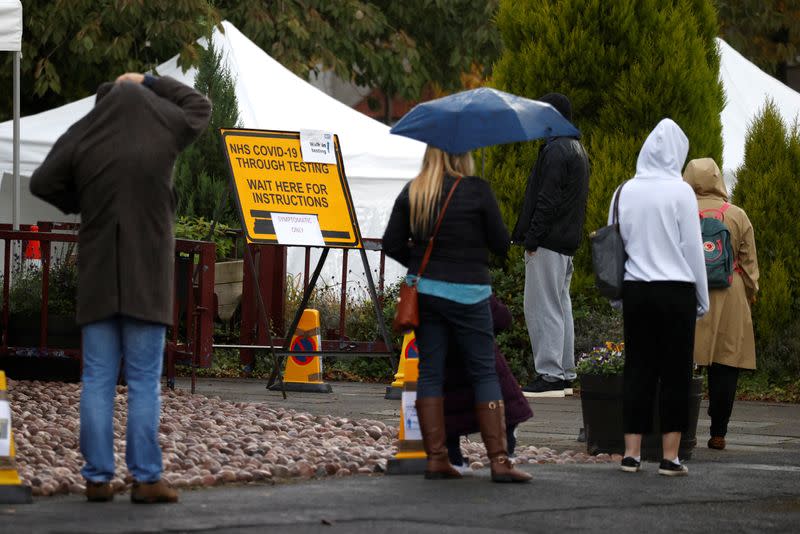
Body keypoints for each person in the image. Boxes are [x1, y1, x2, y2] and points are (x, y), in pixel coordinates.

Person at [30, 73, 211, 502]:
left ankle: (97, 477)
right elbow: (200, 106)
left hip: (98, 274)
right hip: (148, 274)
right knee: (145, 380)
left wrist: (81, 201)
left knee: (97, 377)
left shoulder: (87, 132)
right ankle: (147, 479)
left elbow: (42, 182)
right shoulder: (163, 122)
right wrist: (151, 79)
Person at [383, 146, 531, 483]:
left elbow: (392, 242)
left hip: (428, 295)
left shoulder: (414, 191)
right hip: (469, 294)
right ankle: (499, 461)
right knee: (483, 371)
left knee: (431, 372)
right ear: (462, 155)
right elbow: (501, 243)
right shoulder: (477, 190)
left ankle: (437, 458)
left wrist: (422, 263)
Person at [610, 119, 709, 476]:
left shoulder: (624, 191)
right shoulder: (681, 192)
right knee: (675, 372)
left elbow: (615, 245)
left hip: (637, 289)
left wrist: (618, 295)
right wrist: (702, 296)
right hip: (676, 290)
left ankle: (631, 454)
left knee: (637, 368)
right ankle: (670, 457)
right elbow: (693, 250)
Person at [512, 93, 590, 398]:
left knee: (541, 306)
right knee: (560, 305)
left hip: (548, 241)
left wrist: (532, 237)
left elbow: (546, 199)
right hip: (566, 241)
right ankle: (564, 371)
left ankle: (550, 374)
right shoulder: (576, 148)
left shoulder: (556, 149)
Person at [683, 158, 759, 451]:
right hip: (731, 293)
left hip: (689, 293)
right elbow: (750, 263)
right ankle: (718, 432)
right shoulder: (737, 215)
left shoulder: (680, 211)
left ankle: (679, 430)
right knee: (726, 364)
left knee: (682, 360)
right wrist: (751, 292)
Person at [443, 294, 533, 472]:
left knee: (449, 418)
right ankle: (504, 455)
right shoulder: (472, 283)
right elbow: (501, 318)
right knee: (505, 412)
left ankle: (453, 459)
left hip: (447, 364)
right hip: (482, 360)